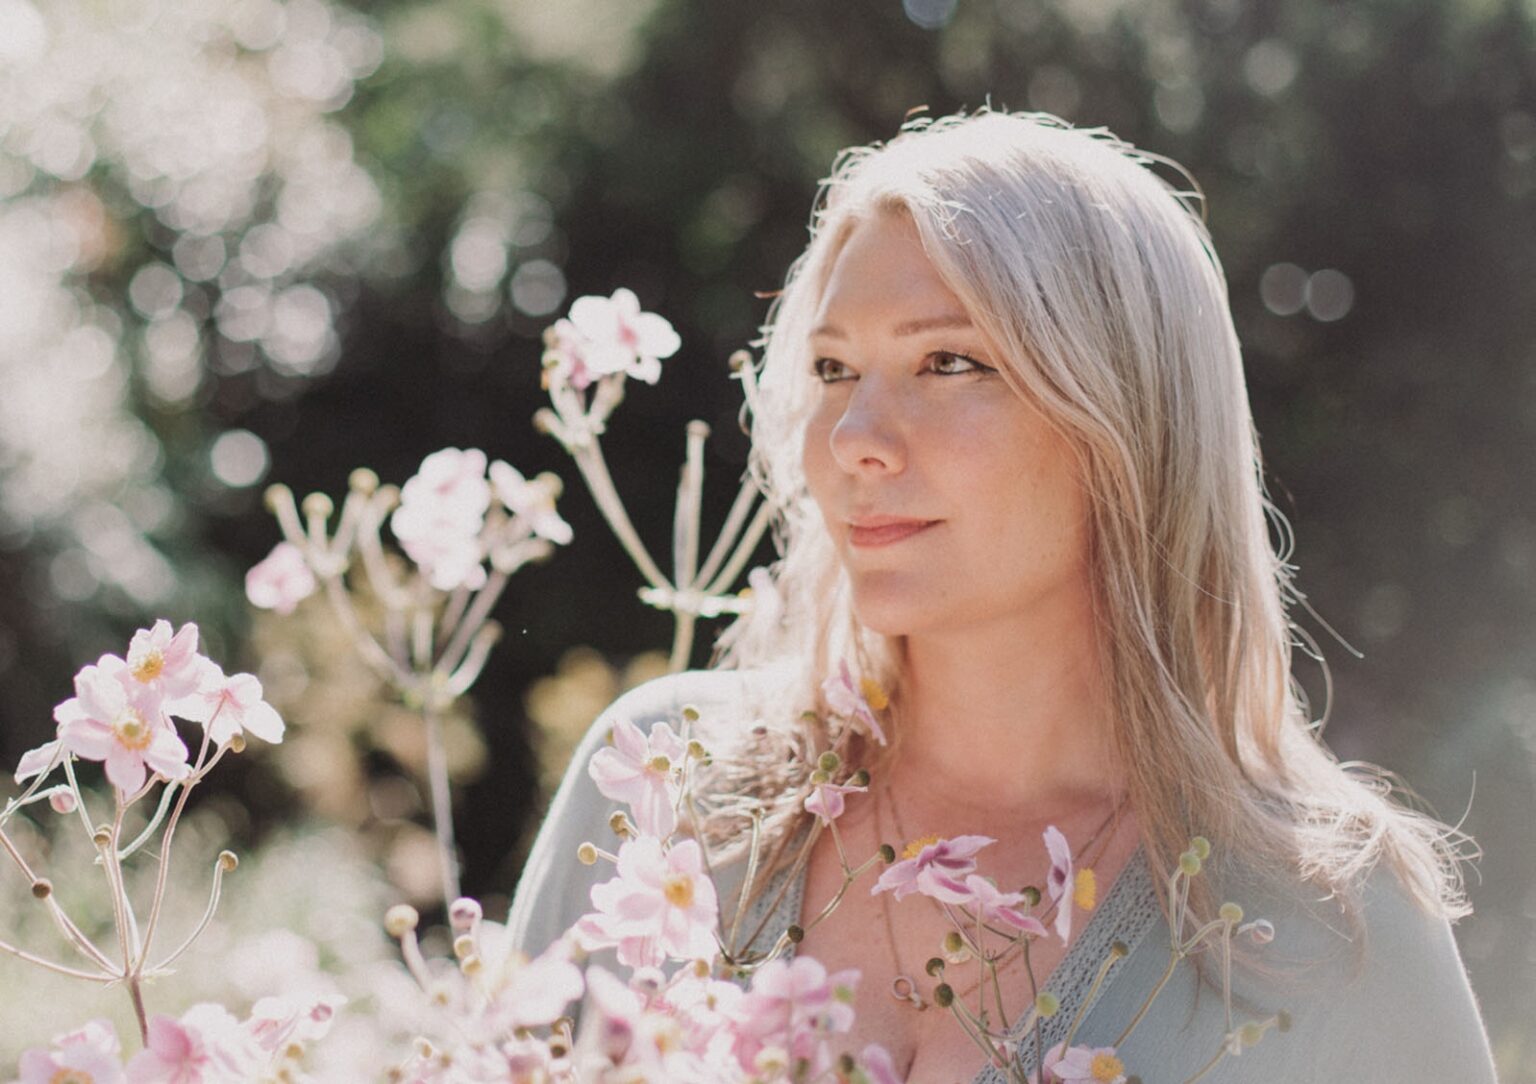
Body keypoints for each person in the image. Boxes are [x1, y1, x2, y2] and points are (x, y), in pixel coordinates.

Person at [509, 111, 1498, 1083]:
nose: (855, 433)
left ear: (1123, 416)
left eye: (948, 361)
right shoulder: (663, 793)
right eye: (832, 367)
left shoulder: (1338, 928)